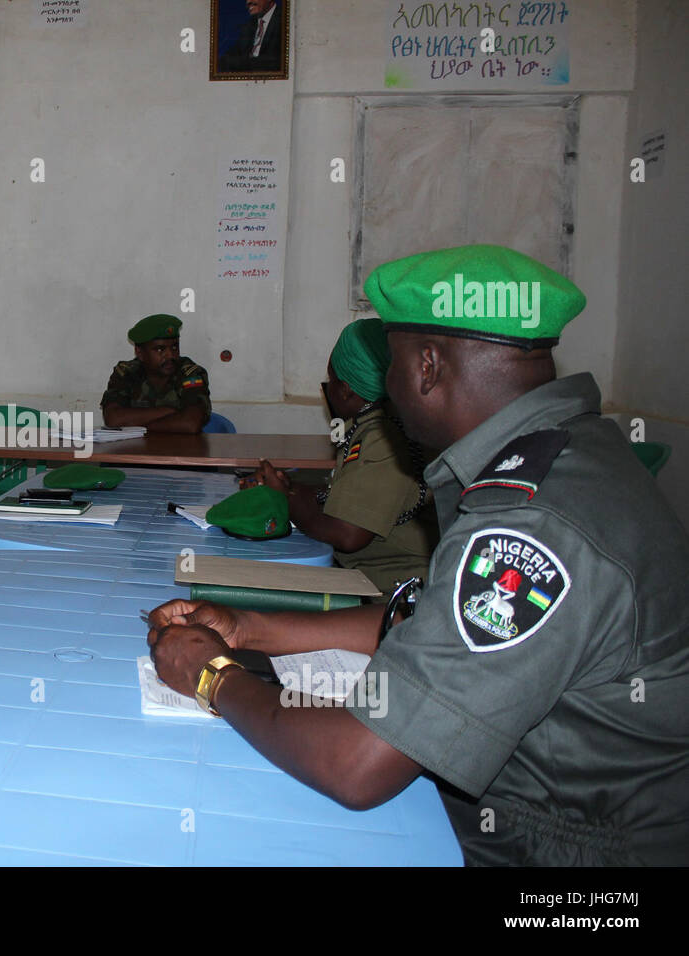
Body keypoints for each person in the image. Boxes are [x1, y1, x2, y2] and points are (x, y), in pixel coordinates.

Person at [148, 244, 689, 865]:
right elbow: (434, 623)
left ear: (427, 367)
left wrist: (213, 677)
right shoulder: (567, 454)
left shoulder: (530, 525)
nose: (389, 389)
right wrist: (251, 627)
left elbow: (357, 766)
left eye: (393, 363)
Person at [251, 318, 437, 593]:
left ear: (345, 389)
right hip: (376, 579)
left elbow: (347, 533)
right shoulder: (390, 420)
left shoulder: (382, 436)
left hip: (392, 593)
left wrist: (282, 499)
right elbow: (349, 494)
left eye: (332, 379)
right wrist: (290, 489)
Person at [101, 314, 211, 434]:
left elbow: (190, 423)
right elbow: (113, 419)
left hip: (182, 449)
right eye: (160, 349)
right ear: (140, 353)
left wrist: (140, 427)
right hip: (136, 450)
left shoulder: (190, 373)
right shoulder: (126, 373)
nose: (170, 355)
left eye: (174, 347)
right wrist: (170, 411)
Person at [218, 0, 285, 73]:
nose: (248, 2)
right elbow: (227, 58)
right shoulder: (249, 25)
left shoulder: (285, 21)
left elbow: (274, 63)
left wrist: (241, 63)